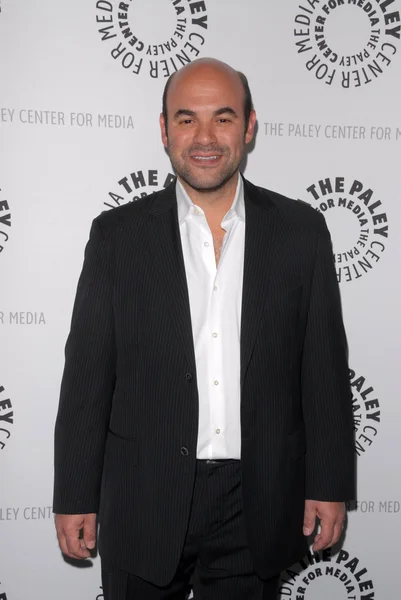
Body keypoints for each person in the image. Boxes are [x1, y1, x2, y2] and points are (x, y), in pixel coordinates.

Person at [53, 58, 355, 600]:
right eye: (187, 119)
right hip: (143, 495)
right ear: (164, 129)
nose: (205, 137)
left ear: (250, 126)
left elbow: (324, 371)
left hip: (259, 500)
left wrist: (329, 484)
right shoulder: (117, 237)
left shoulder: (301, 232)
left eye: (223, 118)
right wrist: (75, 493)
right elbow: (87, 377)